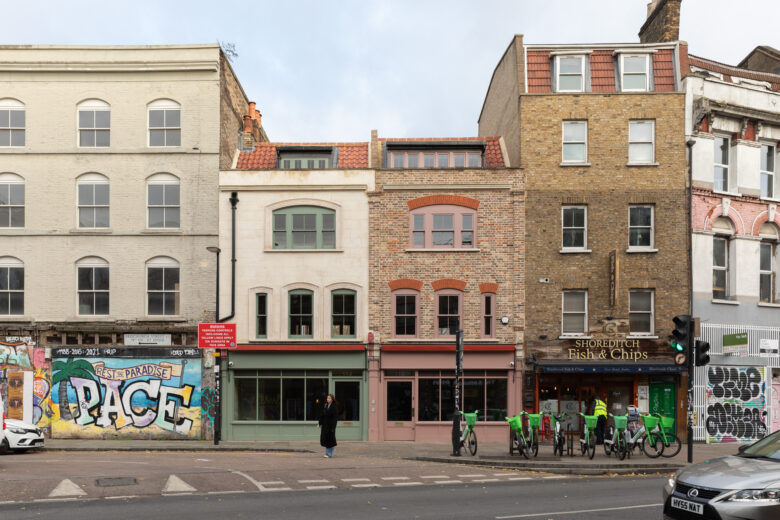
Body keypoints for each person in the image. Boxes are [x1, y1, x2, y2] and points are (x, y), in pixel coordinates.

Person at [318, 393, 338, 458]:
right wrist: (320, 423)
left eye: (329, 398)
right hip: (325, 425)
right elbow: (322, 415)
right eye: (327, 398)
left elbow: (335, 418)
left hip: (330, 426)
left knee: (330, 440)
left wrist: (333, 427)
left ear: (332, 399)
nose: (328, 399)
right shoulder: (325, 406)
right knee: (326, 439)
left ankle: (329, 454)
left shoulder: (334, 407)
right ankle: (327, 453)